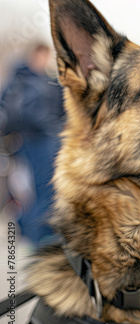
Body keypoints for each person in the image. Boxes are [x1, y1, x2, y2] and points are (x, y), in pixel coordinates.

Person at [0, 43, 64, 247]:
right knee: (35, 188)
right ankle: (38, 236)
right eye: (41, 56)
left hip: (50, 140)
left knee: (44, 188)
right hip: (29, 140)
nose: (43, 61)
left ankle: (36, 232)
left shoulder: (51, 81)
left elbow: (63, 111)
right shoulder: (19, 79)